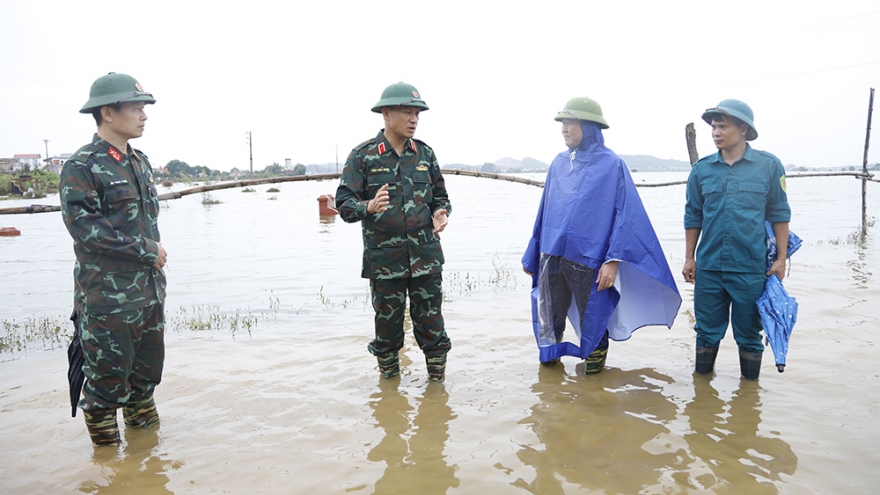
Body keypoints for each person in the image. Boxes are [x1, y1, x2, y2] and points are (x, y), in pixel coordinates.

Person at [522, 97, 681, 373]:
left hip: (589, 260)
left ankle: (595, 395)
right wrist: (532, 253)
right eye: (562, 123)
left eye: (570, 122)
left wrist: (613, 259)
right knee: (549, 318)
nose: (564, 128)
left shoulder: (612, 165)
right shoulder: (559, 164)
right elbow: (544, 211)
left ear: (590, 126)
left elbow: (626, 217)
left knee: (593, 320)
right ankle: (550, 383)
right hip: (552, 256)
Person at [60, 72, 167, 445]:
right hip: (108, 301)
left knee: (145, 384)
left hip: (149, 296)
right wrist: (147, 251)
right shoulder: (83, 166)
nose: (144, 114)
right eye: (136, 107)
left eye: (144, 107)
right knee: (105, 392)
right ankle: (106, 468)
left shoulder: (139, 162)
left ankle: (143, 467)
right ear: (108, 112)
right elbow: (85, 228)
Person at [335, 82, 452, 382]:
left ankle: (436, 393)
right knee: (387, 335)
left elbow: (440, 197)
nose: (413, 119)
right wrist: (368, 207)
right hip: (385, 264)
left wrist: (441, 213)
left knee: (433, 330)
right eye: (406, 112)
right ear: (386, 114)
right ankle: (389, 391)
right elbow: (344, 203)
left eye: (417, 113)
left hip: (426, 259)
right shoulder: (363, 156)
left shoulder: (425, 155)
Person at [683, 99, 791, 380]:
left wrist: (781, 260)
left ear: (743, 129)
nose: (716, 132)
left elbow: (780, 214)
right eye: (714, 127)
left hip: (750, 268)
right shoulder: (702, 170)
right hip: (709, 268)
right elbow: (693, 215)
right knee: (705, 332)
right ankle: (703, 394)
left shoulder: (769, 166)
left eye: (723, 126)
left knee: (749, 335)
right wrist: (689, 257)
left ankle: (749, 398)